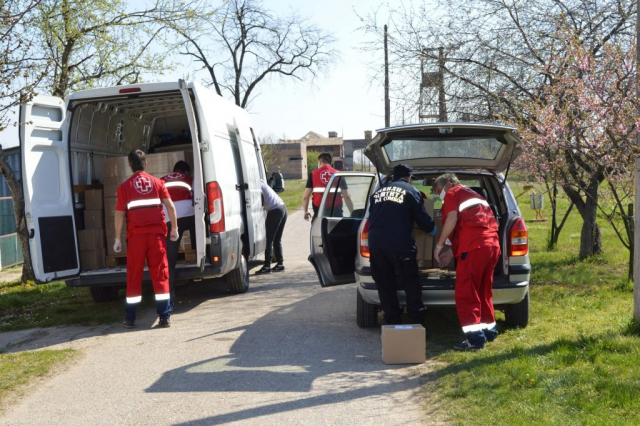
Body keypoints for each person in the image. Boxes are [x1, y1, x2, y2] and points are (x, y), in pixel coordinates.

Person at [433, 173, 500, 350]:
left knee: (467, 293)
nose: (440, 194)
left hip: (474, 248)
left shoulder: (452, 193)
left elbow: (452, 219)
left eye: (439, 190)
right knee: (483, 291)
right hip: (491, 246)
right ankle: (489, 331)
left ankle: (475, 340)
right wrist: (450, 251)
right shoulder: (475, 195)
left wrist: (439, 246)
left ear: (447, 184)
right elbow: (468, 225)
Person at [114, 150, 179, 329]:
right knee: (160, 274)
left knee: (134, 275)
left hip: (136, 238)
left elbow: (119, 215)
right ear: (146, 163)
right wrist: (174, 228)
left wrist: (117, 238)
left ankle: (130, 318)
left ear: (130, 165)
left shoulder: (124, 187)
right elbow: (170, 206)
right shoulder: (158, 183)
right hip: (157, 237)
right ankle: (164, 316)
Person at [368, 164, 437, 325]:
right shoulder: (411, 191)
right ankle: (416, 319)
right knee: (410, 283)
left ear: (393, 177)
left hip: (376, 244)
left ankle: (392, 321)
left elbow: (372, 216)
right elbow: (422, 217)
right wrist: (433, 230)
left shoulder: (378, 191)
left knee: (385, 284)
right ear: (409, 178)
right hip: (400, 245)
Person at [161, 161, 196, 311]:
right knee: (199, 222)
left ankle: (170, 296)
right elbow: (198, 198)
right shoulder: (190, 179)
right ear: (186, 171)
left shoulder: (162, 179)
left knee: (170, 258)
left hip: (169, 218)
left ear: (173, 170)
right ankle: (197, 249)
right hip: (188, 216)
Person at [302, 152, 354, 221]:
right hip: (336, 211)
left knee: (317, 231)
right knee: (338, 230)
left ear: (320, 162)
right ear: (330, 162)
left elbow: (305, 197)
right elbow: (346, 196)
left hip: (319, 211)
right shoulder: (338, 174)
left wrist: (306, 211)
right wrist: (352, 213)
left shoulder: (313, 174)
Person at [255, 179, 287, 274]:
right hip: (282, 207)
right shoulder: (261, 182)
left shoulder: (256, 185)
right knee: (277, 239)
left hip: (275, 210)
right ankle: (280, 264)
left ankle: (267, 266)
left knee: (269, 239)